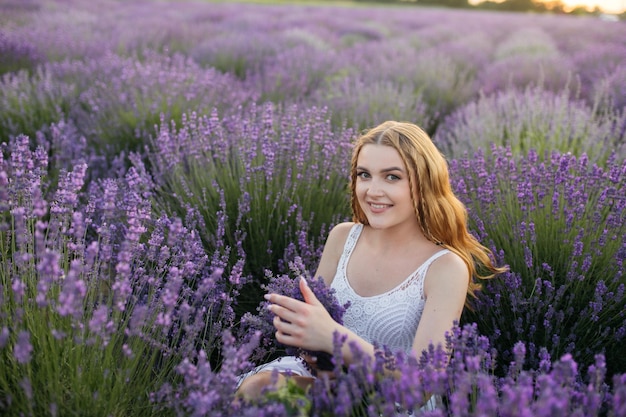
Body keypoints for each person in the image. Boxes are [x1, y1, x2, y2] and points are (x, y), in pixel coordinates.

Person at [235, 121, 506, 409]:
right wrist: (300, 330)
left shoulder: (445, 268)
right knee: (259, 389)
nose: (373, 190)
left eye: (392, 177)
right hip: (326, 380)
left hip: (389, 402)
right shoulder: (342, 238)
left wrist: (335, 337)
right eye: (364, 175)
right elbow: (314, 337)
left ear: (424, 183)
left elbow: (423, 386)